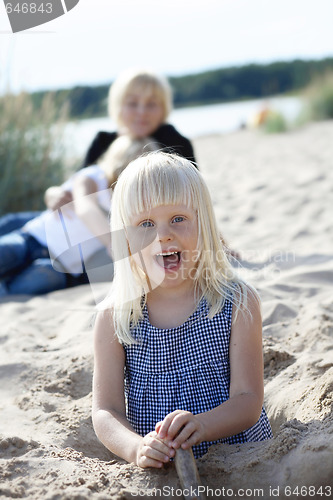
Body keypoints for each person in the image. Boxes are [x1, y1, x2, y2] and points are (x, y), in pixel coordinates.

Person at [92, 152, 272, 469]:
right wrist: (135, 448)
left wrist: (202, 425)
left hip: (239, 460)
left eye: (178, 218)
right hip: (162, 465)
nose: (163, 234)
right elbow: (106, 411)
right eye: (146, 224)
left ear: (204, 223)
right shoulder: (115, 317)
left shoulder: (237, 302)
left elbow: (248, 401)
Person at [0, 68, 196, 234]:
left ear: (164, 109)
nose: (141, 111)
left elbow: (194, 200)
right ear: (118, 107)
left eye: (151, 104)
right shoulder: (103, 141)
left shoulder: (174, 144)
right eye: (133, 103)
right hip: (65, 223)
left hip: (96, 234)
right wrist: (52, 193)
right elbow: (77, 182)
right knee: (9, 223)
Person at [0, 136, 158, 296]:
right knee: (7, 252)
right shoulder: (93, 177)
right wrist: (113, 242)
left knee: (31, 283)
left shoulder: (134, 205)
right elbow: (85, 208)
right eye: (130, 159)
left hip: (60, 267)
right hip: (33, 239)